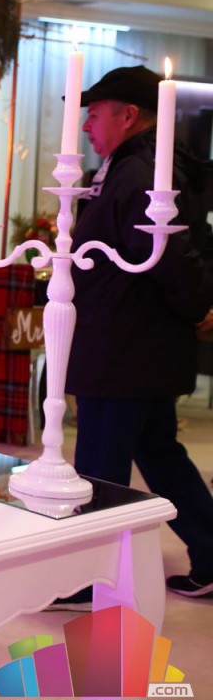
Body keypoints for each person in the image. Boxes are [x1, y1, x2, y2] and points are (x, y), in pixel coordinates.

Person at [67, 64, 213, 600]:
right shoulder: (137, 165)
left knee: (100, 466)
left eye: (94, 114)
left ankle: (88, 579)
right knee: (158, 454)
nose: (86, 125)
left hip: (124, 346)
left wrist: (199, 306)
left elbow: (168, 254)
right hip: (139, 343)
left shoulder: (138, 170)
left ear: (128, 116)